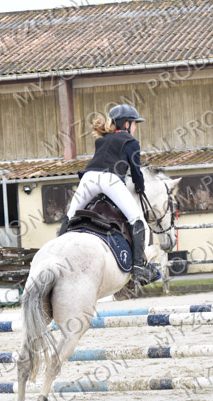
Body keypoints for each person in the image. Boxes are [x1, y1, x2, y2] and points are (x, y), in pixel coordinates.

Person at [58, 104, 160, 284]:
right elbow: (136, 171)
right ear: (127, 123)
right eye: (135, 123)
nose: (135, 127)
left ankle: (58, 257)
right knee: (137, 220)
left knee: (69, 216)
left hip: (88, 179)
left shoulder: (102, 140)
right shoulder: (131, 141)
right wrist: (140, 187)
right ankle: (138, 268)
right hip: (110, 180)